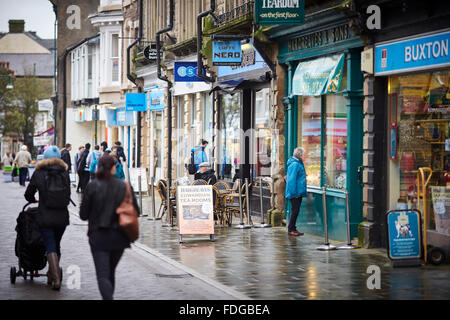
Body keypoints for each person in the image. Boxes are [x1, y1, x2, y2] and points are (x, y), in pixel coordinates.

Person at [79, 154, 140, 300]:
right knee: (110, 272)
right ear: (114, 168)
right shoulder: (124, 186)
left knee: (102, 274)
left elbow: (83, 215)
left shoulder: (92, 185)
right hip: (119, 237)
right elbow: (136, 211)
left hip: (98, 236)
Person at [24, 146, 71, 290]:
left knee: (50, 244)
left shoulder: (39, 172)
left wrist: (33, 199)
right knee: (57, 244)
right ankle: (52, 275)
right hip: (62, 216)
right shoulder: (64, 172)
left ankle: (56, 279)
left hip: (45, 215)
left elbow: (29, 193)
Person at [285, 147, 307, 236]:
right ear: (300, 155)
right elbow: (291, 180)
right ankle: (291, 229)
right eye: (303, 154)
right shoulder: (295, 164)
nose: (304, 156)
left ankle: (293, 228)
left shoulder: (298, 163)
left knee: (296, 210)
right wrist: (294, 194)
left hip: (298, 191)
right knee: (295, 211)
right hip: (295, 192)